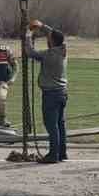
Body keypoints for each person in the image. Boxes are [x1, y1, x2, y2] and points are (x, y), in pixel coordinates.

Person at [23, 19, 68, 162]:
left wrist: (28, 35)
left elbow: (30, 52)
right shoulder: (62, 50)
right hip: (62, 93)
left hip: (51, 95)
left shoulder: (49, 55)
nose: (47, 38)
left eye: (49, 38)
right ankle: (62, 153)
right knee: (60, 124)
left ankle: (53, 155)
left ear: (52, 42)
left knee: (51, 125)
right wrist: (42, 26)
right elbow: (53, 34)